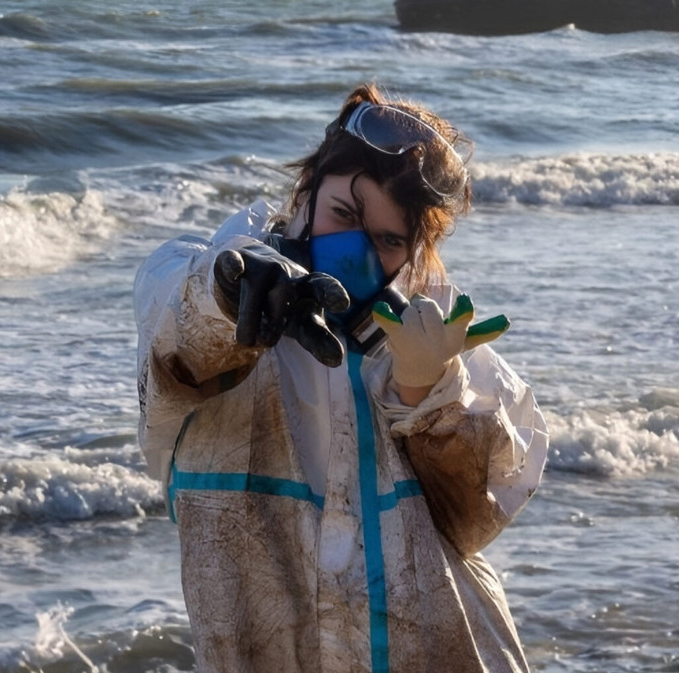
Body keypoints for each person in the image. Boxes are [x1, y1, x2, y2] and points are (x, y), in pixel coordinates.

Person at [134, 83, 549, 673]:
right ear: (307, 191)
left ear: (413, 251)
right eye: (344, 215)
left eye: (387, 240)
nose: (357, 250)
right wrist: (228, 294)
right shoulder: (203, 278)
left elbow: (476, 519)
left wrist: (429, 392)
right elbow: (171, 342)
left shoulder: (430, 334)